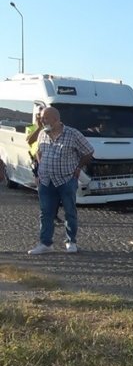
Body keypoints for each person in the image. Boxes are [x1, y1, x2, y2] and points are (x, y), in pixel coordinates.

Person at [27, 107, 94, 255]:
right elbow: (39, 151)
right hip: (46, 180)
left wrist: (78, 168)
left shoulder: (72, 133)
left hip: (66, 179)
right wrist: (40, 169)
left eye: (45, 118)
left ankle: (71, 242)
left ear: (56, 119)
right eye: (42, 118)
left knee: (70, 211)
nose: (42, 121)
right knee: (46, 213)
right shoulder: (43, 133)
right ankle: (45, 243)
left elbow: (89, 151)